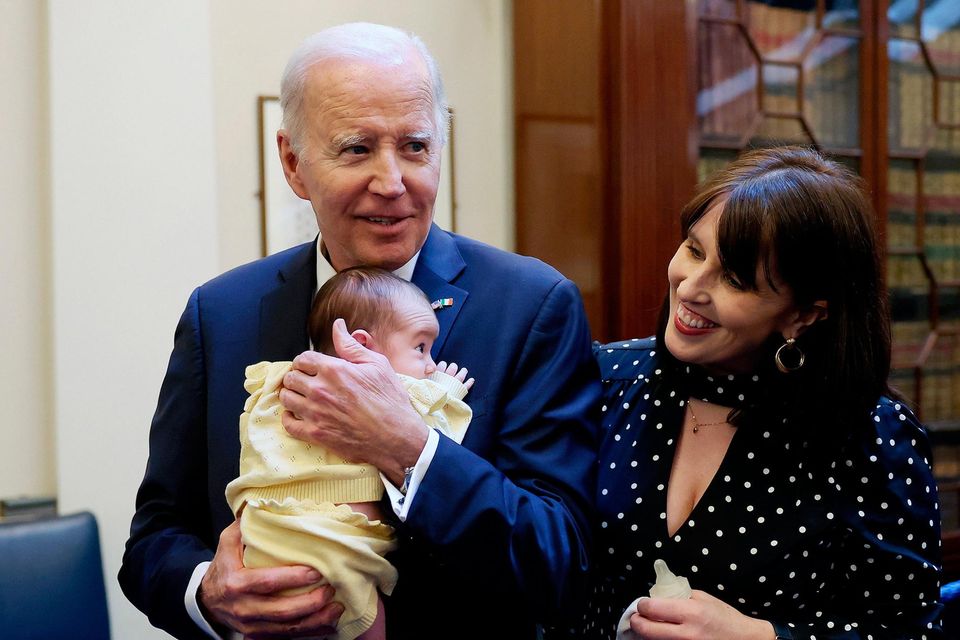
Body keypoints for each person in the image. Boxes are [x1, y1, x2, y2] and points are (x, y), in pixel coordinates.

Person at [118, 22, 600, 640]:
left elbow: (563, 563)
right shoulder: (222, 313)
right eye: (356, 148)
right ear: (293, 163)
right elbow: (156, 535)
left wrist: (407, 448)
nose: (393, 182)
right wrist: (208, 592)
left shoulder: (531, 307)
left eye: (416, 147)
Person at [561, 146, 943, 639]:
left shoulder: (871, 437)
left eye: (736, 279)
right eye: (694, 251)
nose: (691, 287)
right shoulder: (607, 380)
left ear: (805, 314)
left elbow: (908, 629)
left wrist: (760, 636)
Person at [225, 267, 474, 640]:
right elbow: (435, 438)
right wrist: (446, 391)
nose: (430, 364)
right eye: (421, 347)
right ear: (361, 345)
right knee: (367, 624)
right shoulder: (389, 389)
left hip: (265, 542)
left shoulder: (278, 382)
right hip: (338, 551)